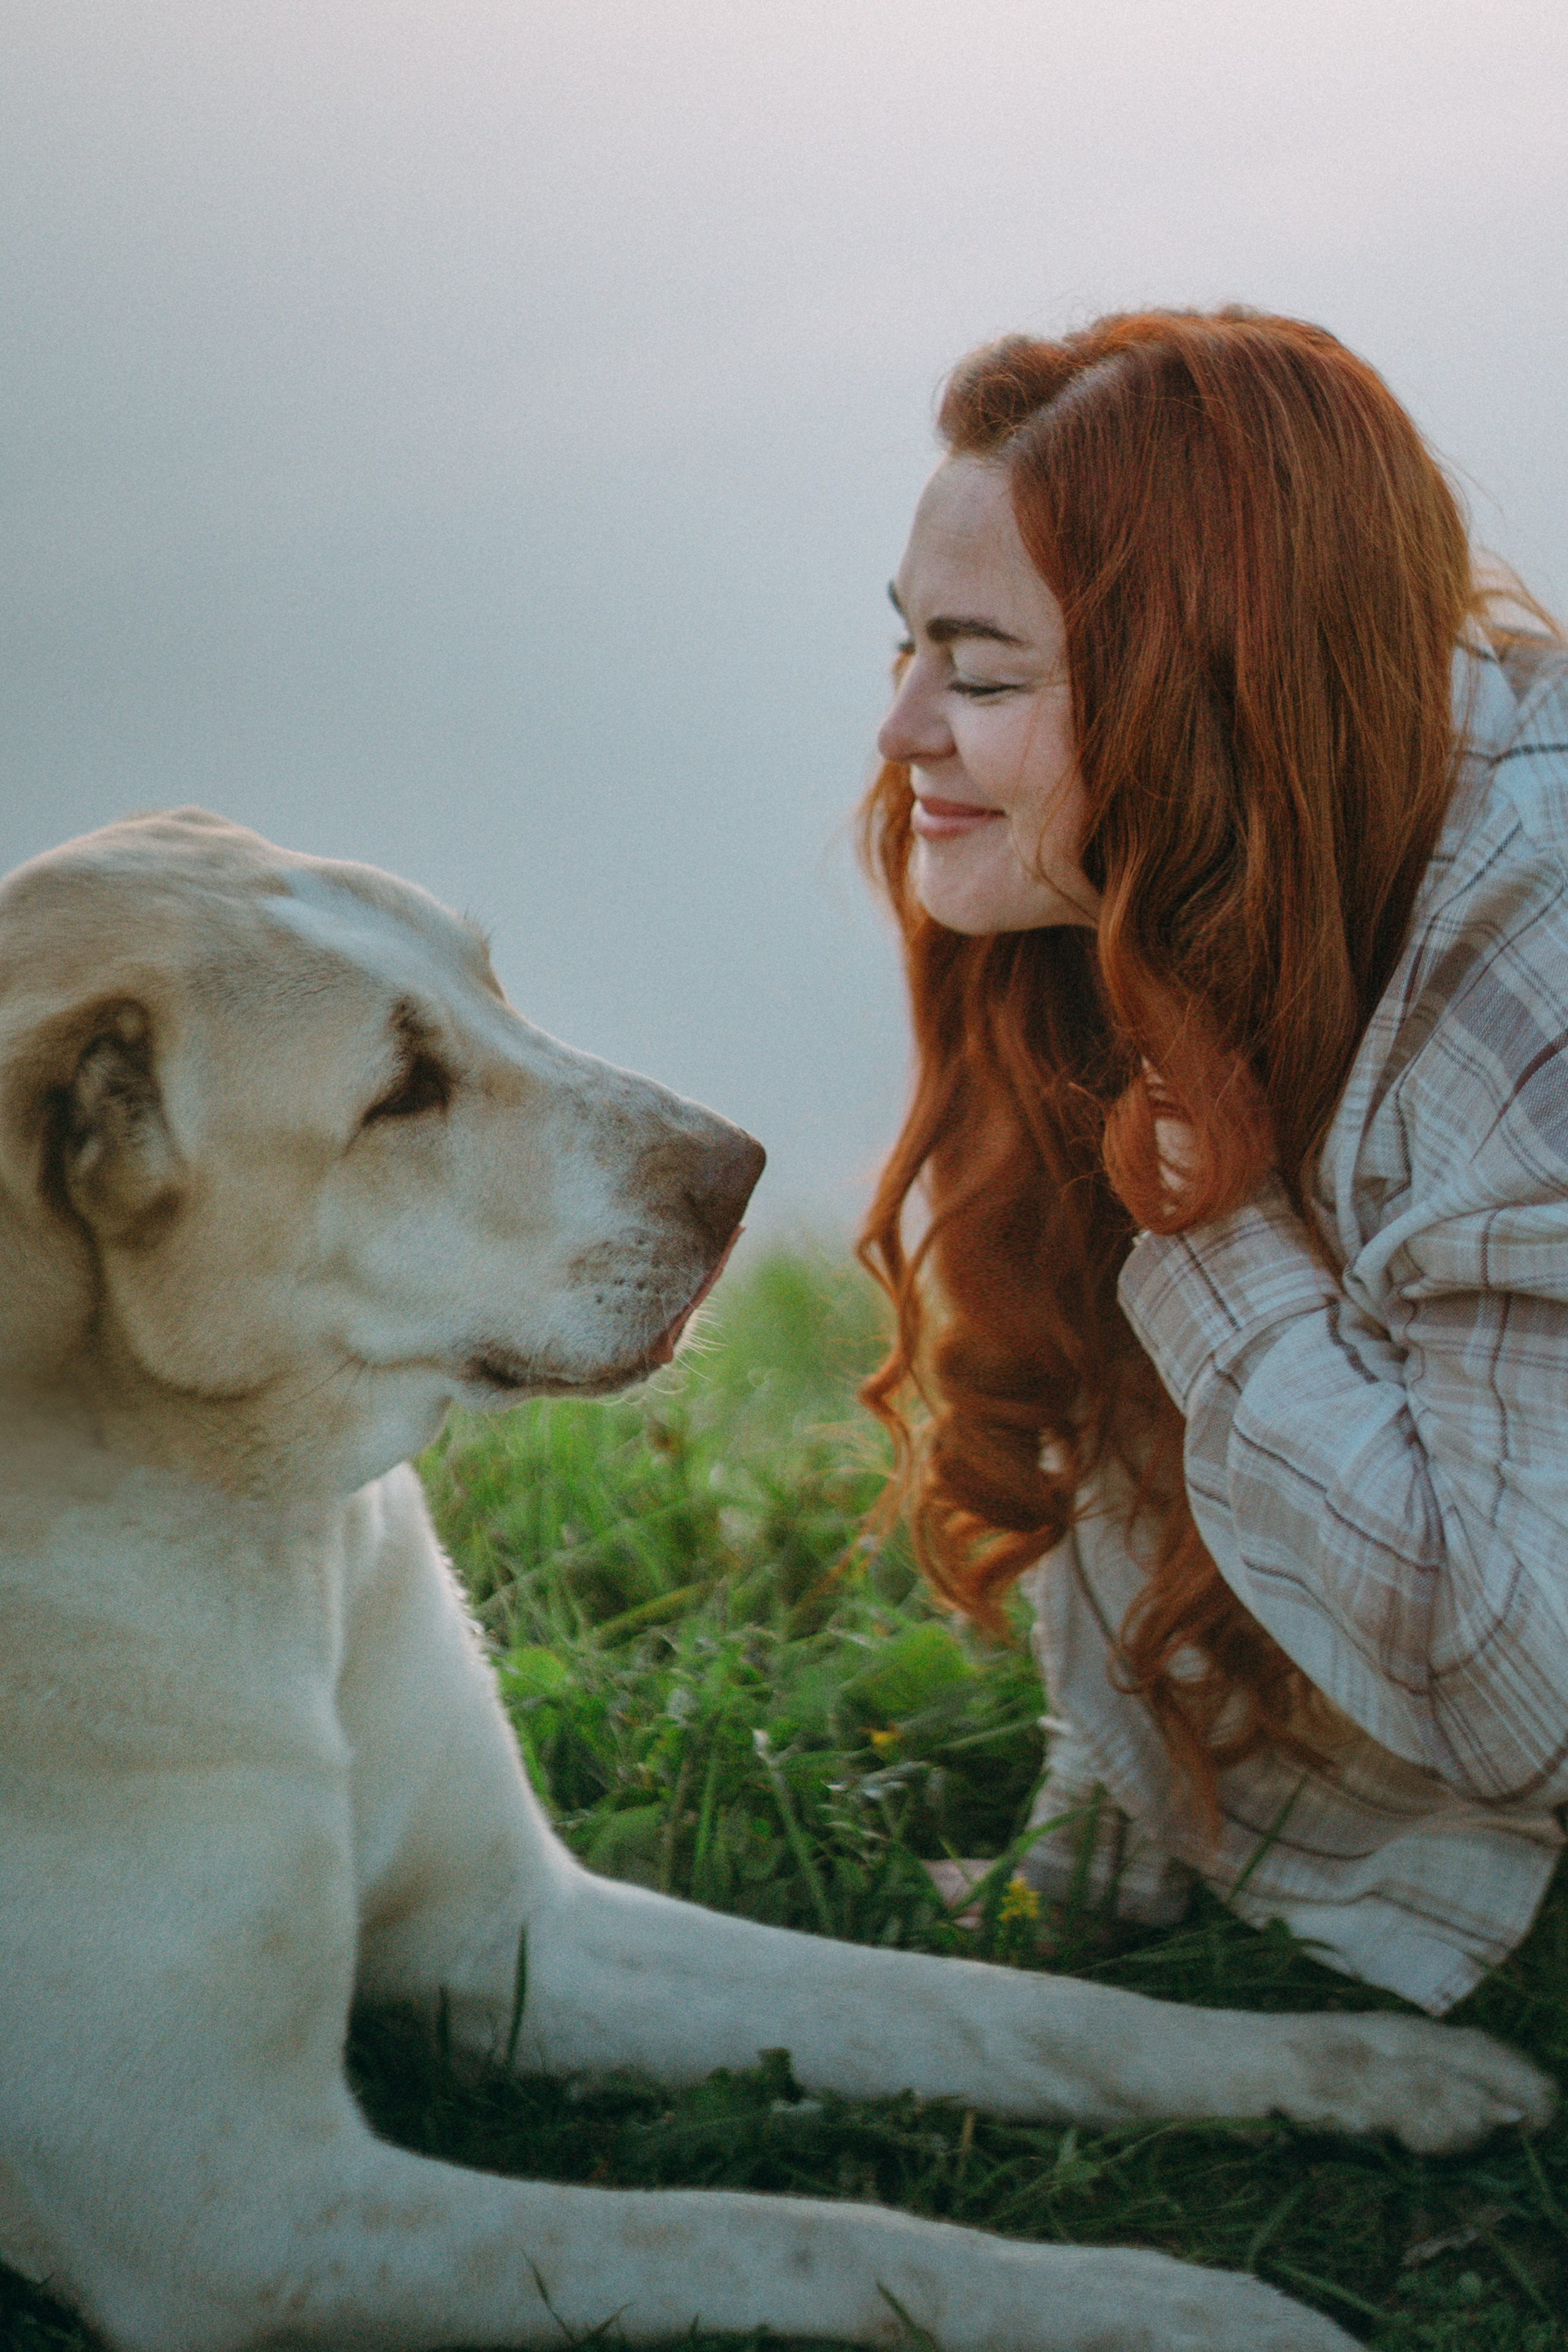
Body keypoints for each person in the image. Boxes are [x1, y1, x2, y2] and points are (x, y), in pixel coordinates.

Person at [857, 307, 1568, 2015]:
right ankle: (1157, 1834)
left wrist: (1219, 1221)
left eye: (983, 672)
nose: (900, 730)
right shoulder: (1131, 862)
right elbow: (1098, 1383)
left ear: (1211, 697)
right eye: (903, 646)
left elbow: (1522, 1689)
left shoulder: (1532, 975)